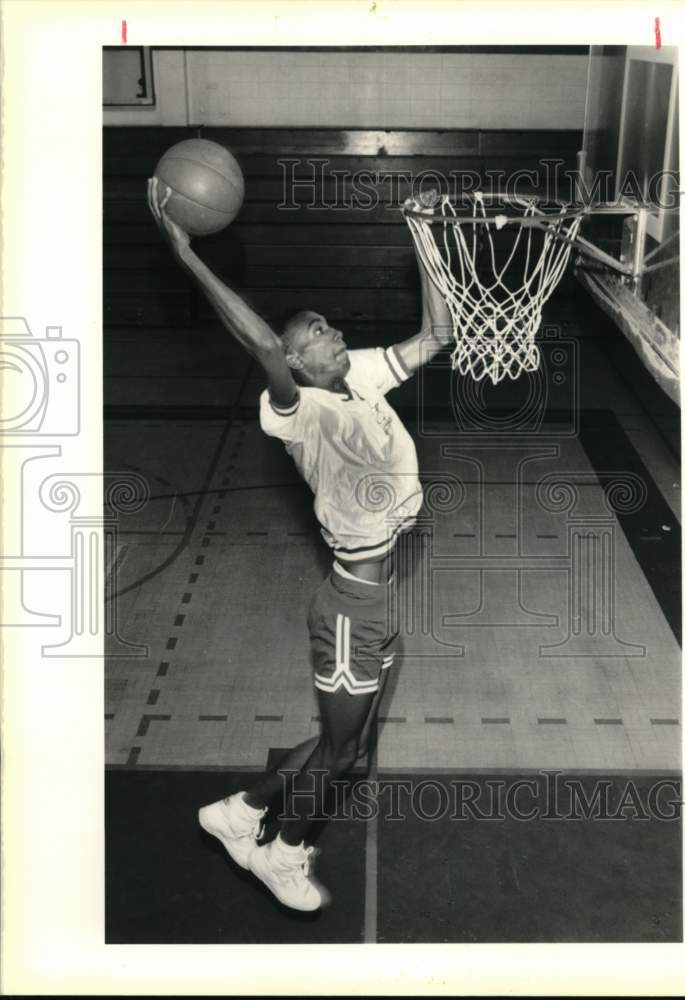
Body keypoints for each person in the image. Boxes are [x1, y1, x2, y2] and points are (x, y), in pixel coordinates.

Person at [147, 178, 453, 911]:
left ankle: (241, 813)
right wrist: (184, 251)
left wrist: (423, 233)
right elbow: (257, 339)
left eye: (328, 324)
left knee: (346, 746)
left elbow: (438, 334)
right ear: (296, 360)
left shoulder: (358, 380)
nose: (332, 331)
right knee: (344, 754)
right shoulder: (298, 407)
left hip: (375, 599)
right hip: (350, 605)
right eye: (315, 331)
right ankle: (279, 855)